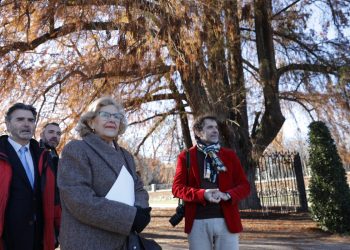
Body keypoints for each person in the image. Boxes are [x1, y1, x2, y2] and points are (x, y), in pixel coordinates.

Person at [57, 96, 151, 250]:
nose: (112, 119)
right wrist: (129, 217)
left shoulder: (126, 155)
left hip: (124, 242)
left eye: (116, 116)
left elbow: (138, 188)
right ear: (91, 122)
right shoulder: (76, 149)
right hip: (89, 241)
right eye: (105, 115)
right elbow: (79, 200)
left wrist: (141, 210)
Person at [172, 114, 250, 250]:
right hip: (197, 222)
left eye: (216, 127)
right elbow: (177, 188)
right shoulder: (186, 156)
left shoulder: (229, 155)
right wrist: (203, 194)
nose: (215, 130)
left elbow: (245, 186)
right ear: (198, 132)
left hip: (227, 221)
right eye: (209, 127)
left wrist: (228, 195)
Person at [0, 103, 61, 250]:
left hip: (39, 238)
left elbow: (54, 197)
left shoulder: (44, 157)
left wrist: (57, 231)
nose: (26, 124)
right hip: (7, 239)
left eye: (31, 120)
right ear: (7, 124)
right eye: (20, 119)